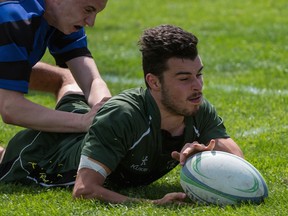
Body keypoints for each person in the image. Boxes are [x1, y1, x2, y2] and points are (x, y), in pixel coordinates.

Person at [0, 24, 243, 205]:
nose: (197, 86)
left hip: (89, 125)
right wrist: (153, 205)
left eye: (198, 74)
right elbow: (84, 190)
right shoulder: (125, 115)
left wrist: (206, 154)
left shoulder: (196, 107)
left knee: (67, 79)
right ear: (154, 82)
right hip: (42, 155)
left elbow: (238, 162)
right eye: (184, 78)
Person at [0, 0, 111, 133]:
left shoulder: (58, 17)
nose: (91, 22)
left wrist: (109, 112)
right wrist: (82, 121)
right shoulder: (15, 16)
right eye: (88, 10)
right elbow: (11, 107)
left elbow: (92, 80)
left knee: (68, 77)